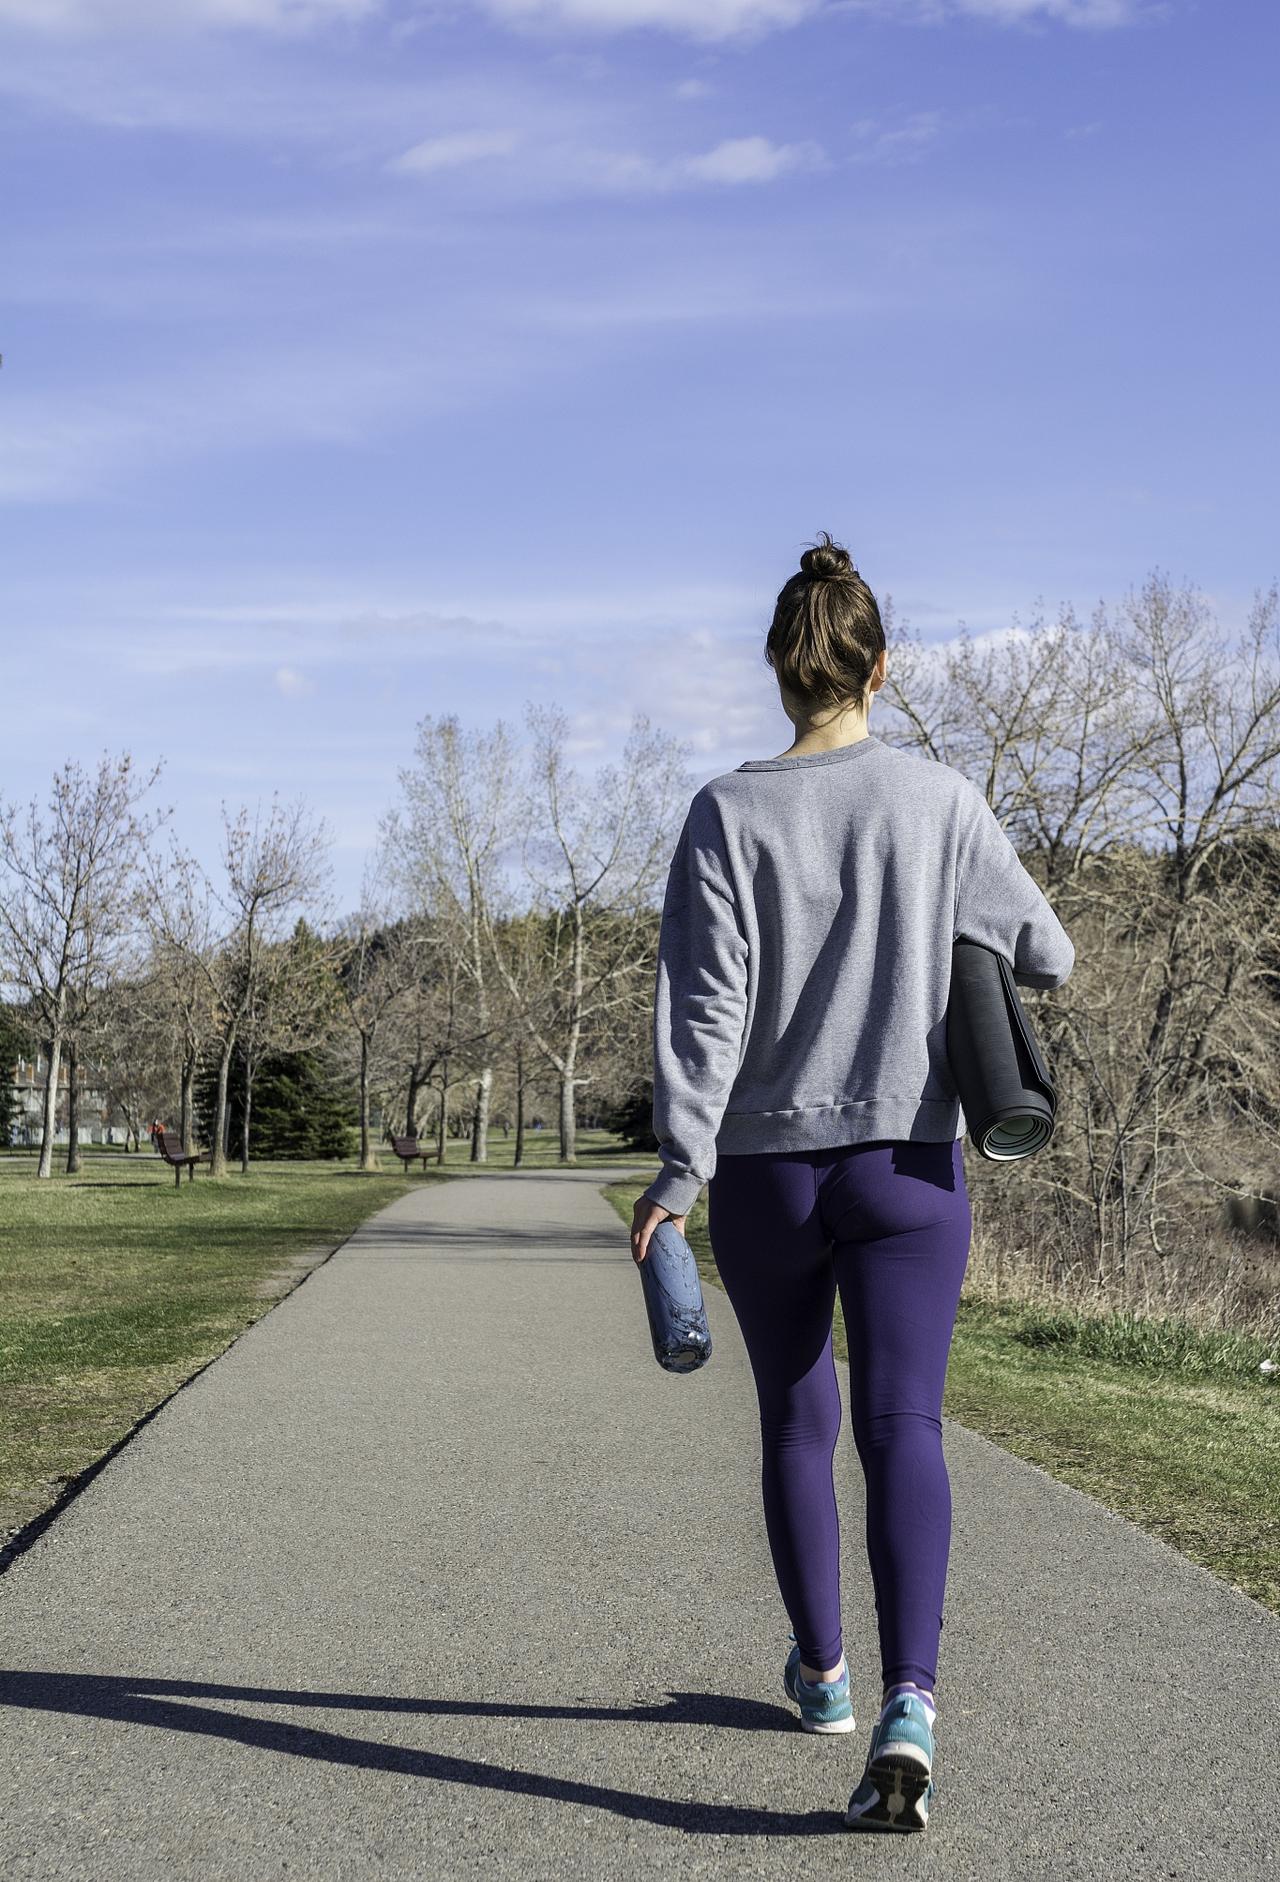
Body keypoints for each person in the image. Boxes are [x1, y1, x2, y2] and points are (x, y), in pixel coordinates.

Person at [630, 531, 1074, 1833]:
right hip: (910, 1169)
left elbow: (705, 1019)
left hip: (766, 1179)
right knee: (905, 1426)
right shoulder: (938, 802)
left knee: (793, 1419)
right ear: (883, 667)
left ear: (782, 673)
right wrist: (944, 925)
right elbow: (1044, 949)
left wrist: (673, 1171)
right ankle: (911, 1702)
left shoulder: (724, 812)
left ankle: (821, 1674)